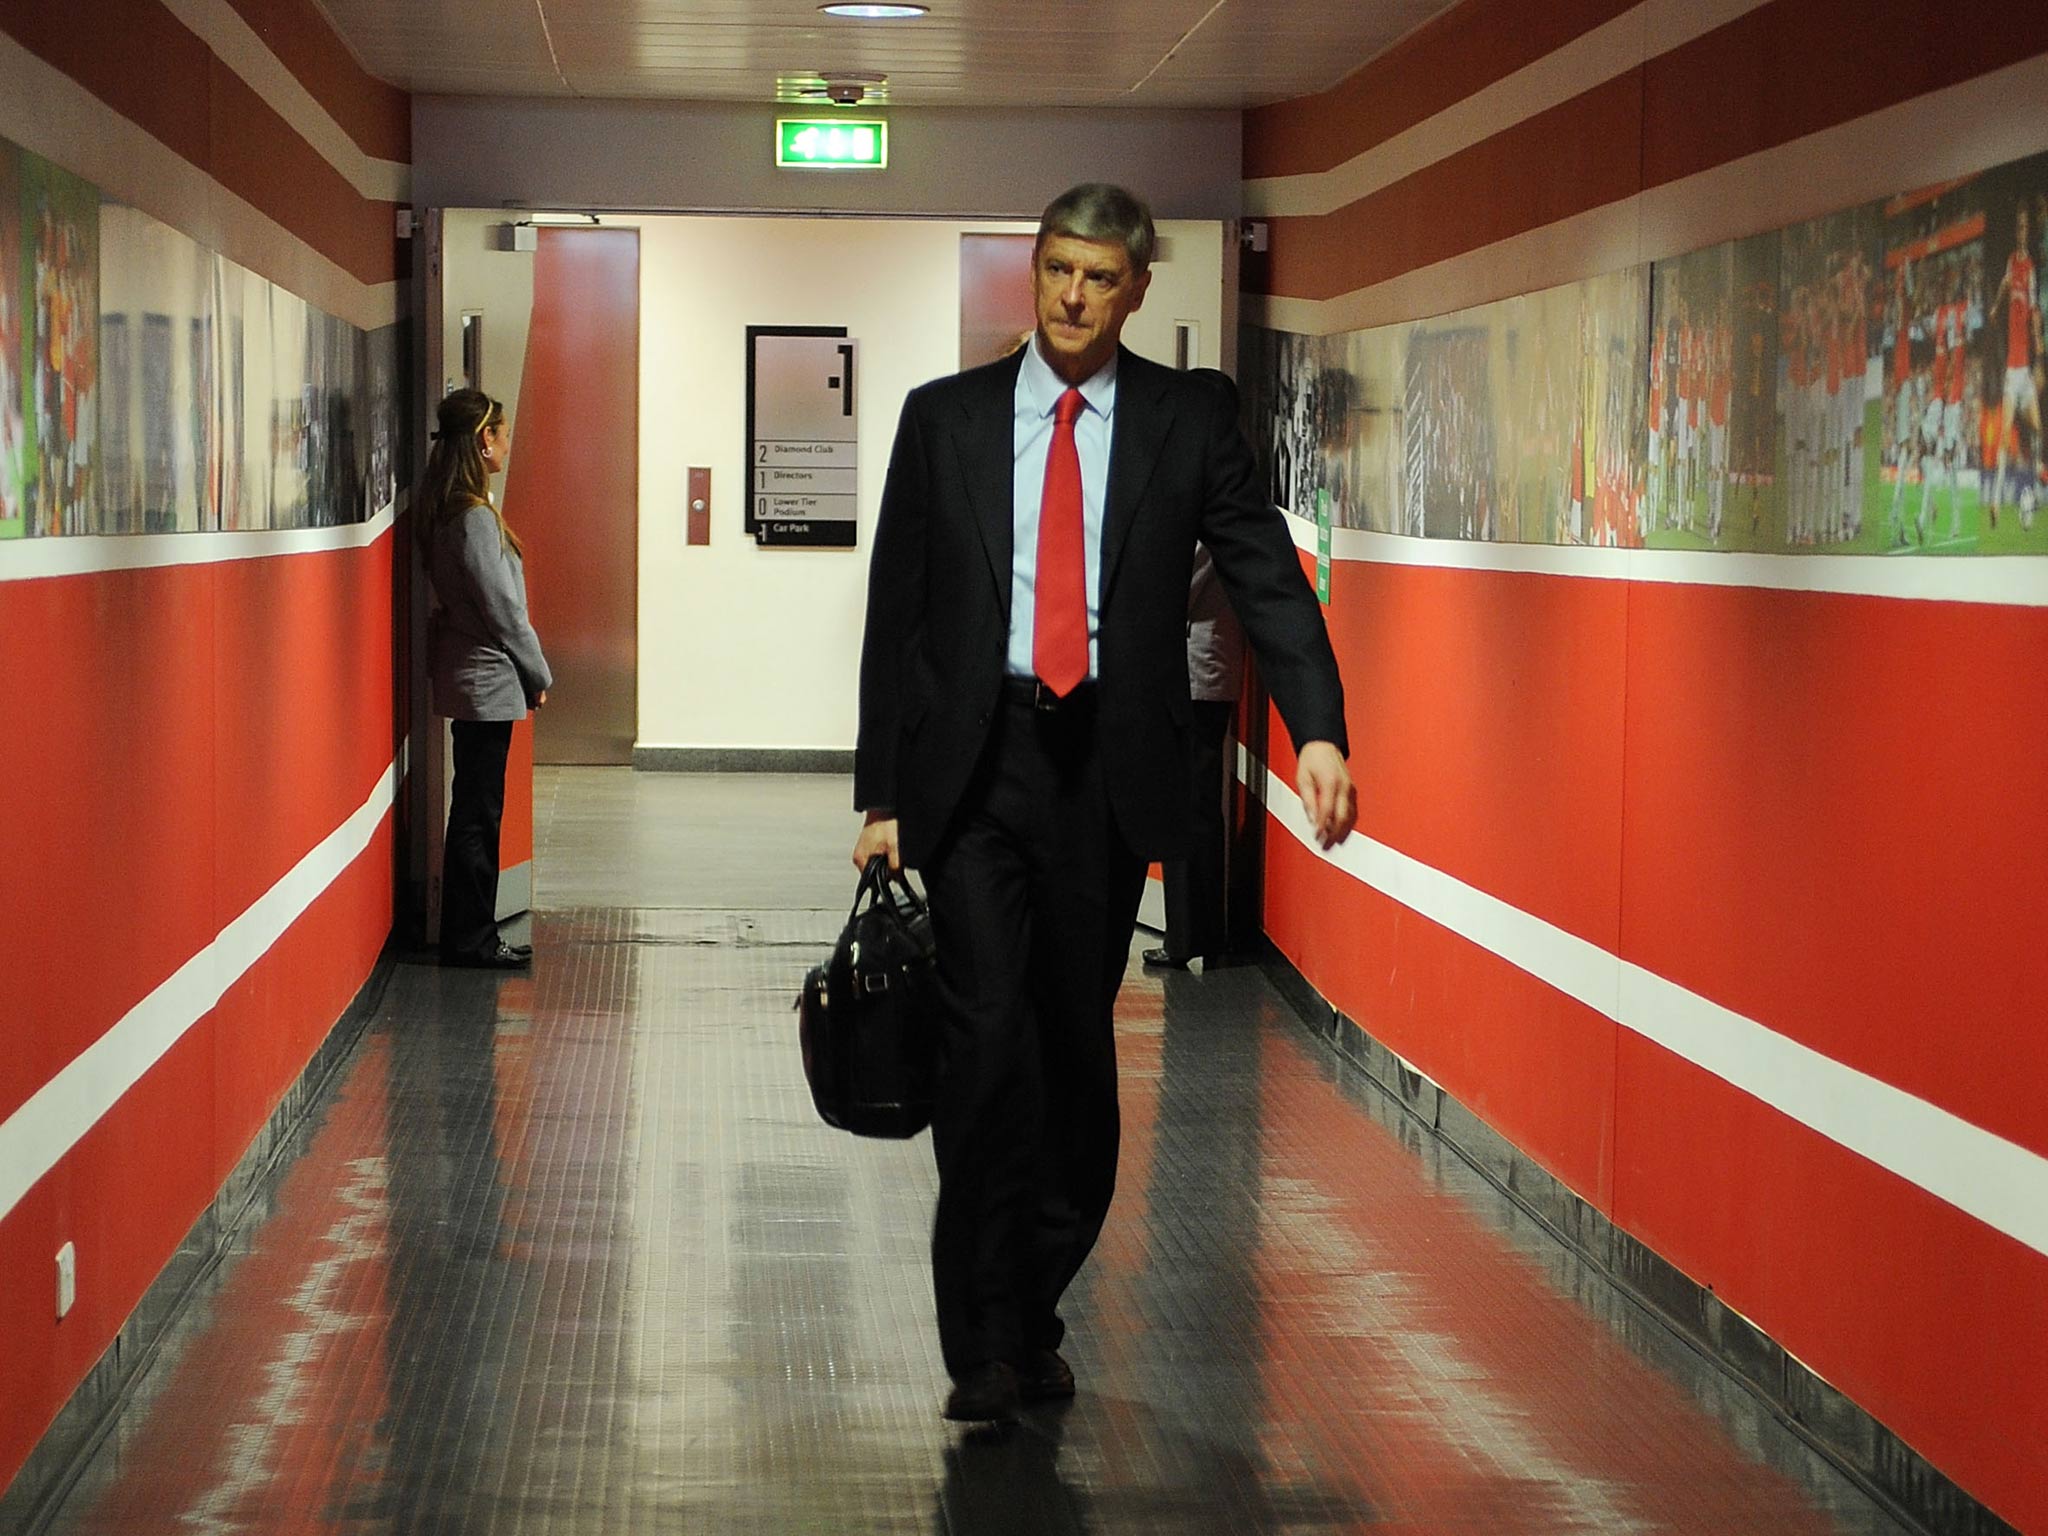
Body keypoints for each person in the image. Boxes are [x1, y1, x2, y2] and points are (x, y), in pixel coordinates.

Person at [852, 183, 1355, 1423]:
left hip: (1103, 776)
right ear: (1033, 272)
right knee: (981, 1046)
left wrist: (1321, 730)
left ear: (1135, 290)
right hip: (977, 771)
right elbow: (896, 619)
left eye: (1098, 277)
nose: (1072, 296)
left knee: (1074, 1057)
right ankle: (977, 1343)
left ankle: (1034, 1303)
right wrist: (879, 794)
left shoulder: (1186, 424)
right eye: (1055, 270)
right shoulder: (946, 420)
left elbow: (1265, 580)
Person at [419, 388, 551, 969]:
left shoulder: (449, 508)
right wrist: (537, 670)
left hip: (473, 680)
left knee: (473, 809)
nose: (506, 441)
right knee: (478, 815)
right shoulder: (473, 519)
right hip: (487, 684)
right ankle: (471, 938)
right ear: (482, 441)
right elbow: (503, 610)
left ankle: (468, 933)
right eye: (500, 432)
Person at [1143, 544, 1245, 971]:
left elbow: (1172, 591)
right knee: (1198, 808)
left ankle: (1186, 937)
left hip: (1196, 676)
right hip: (1206, 673)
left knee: (1185, 808)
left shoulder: (1203, 531)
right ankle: (1202, 933)